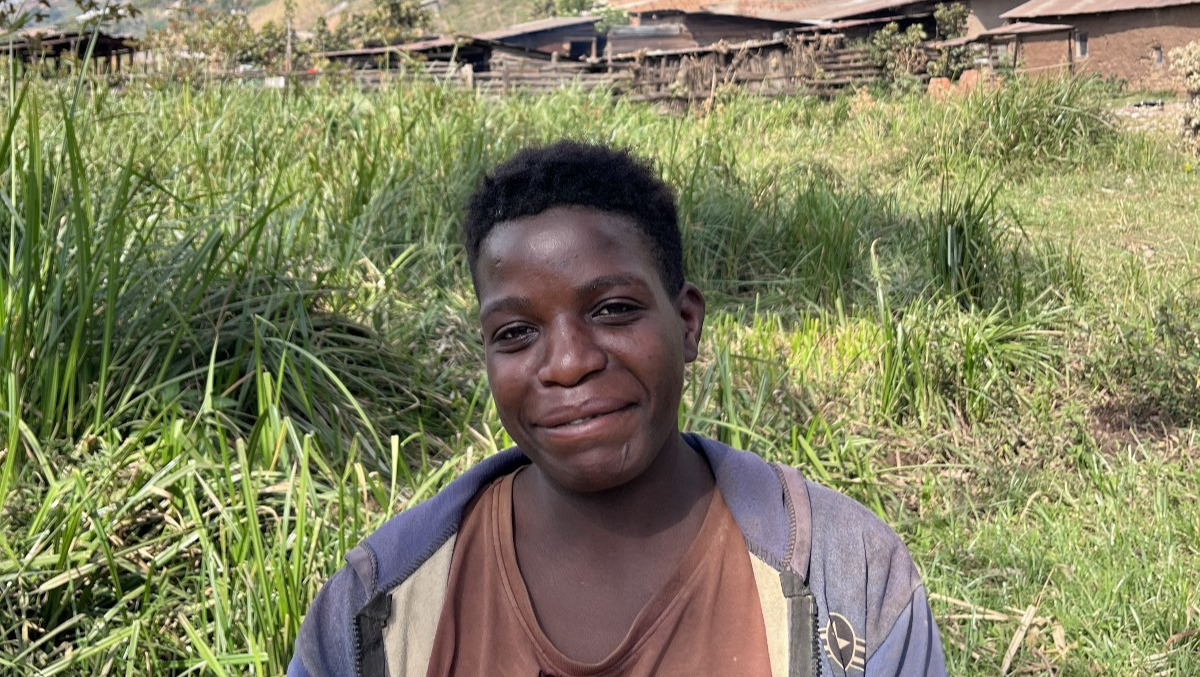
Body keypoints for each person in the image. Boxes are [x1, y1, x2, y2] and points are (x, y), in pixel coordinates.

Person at [288, 140, 947, 677]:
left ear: (687, 323)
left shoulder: (848, 576)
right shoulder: (377, 605)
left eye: (612, 310)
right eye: (515, 332)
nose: (568, 362)